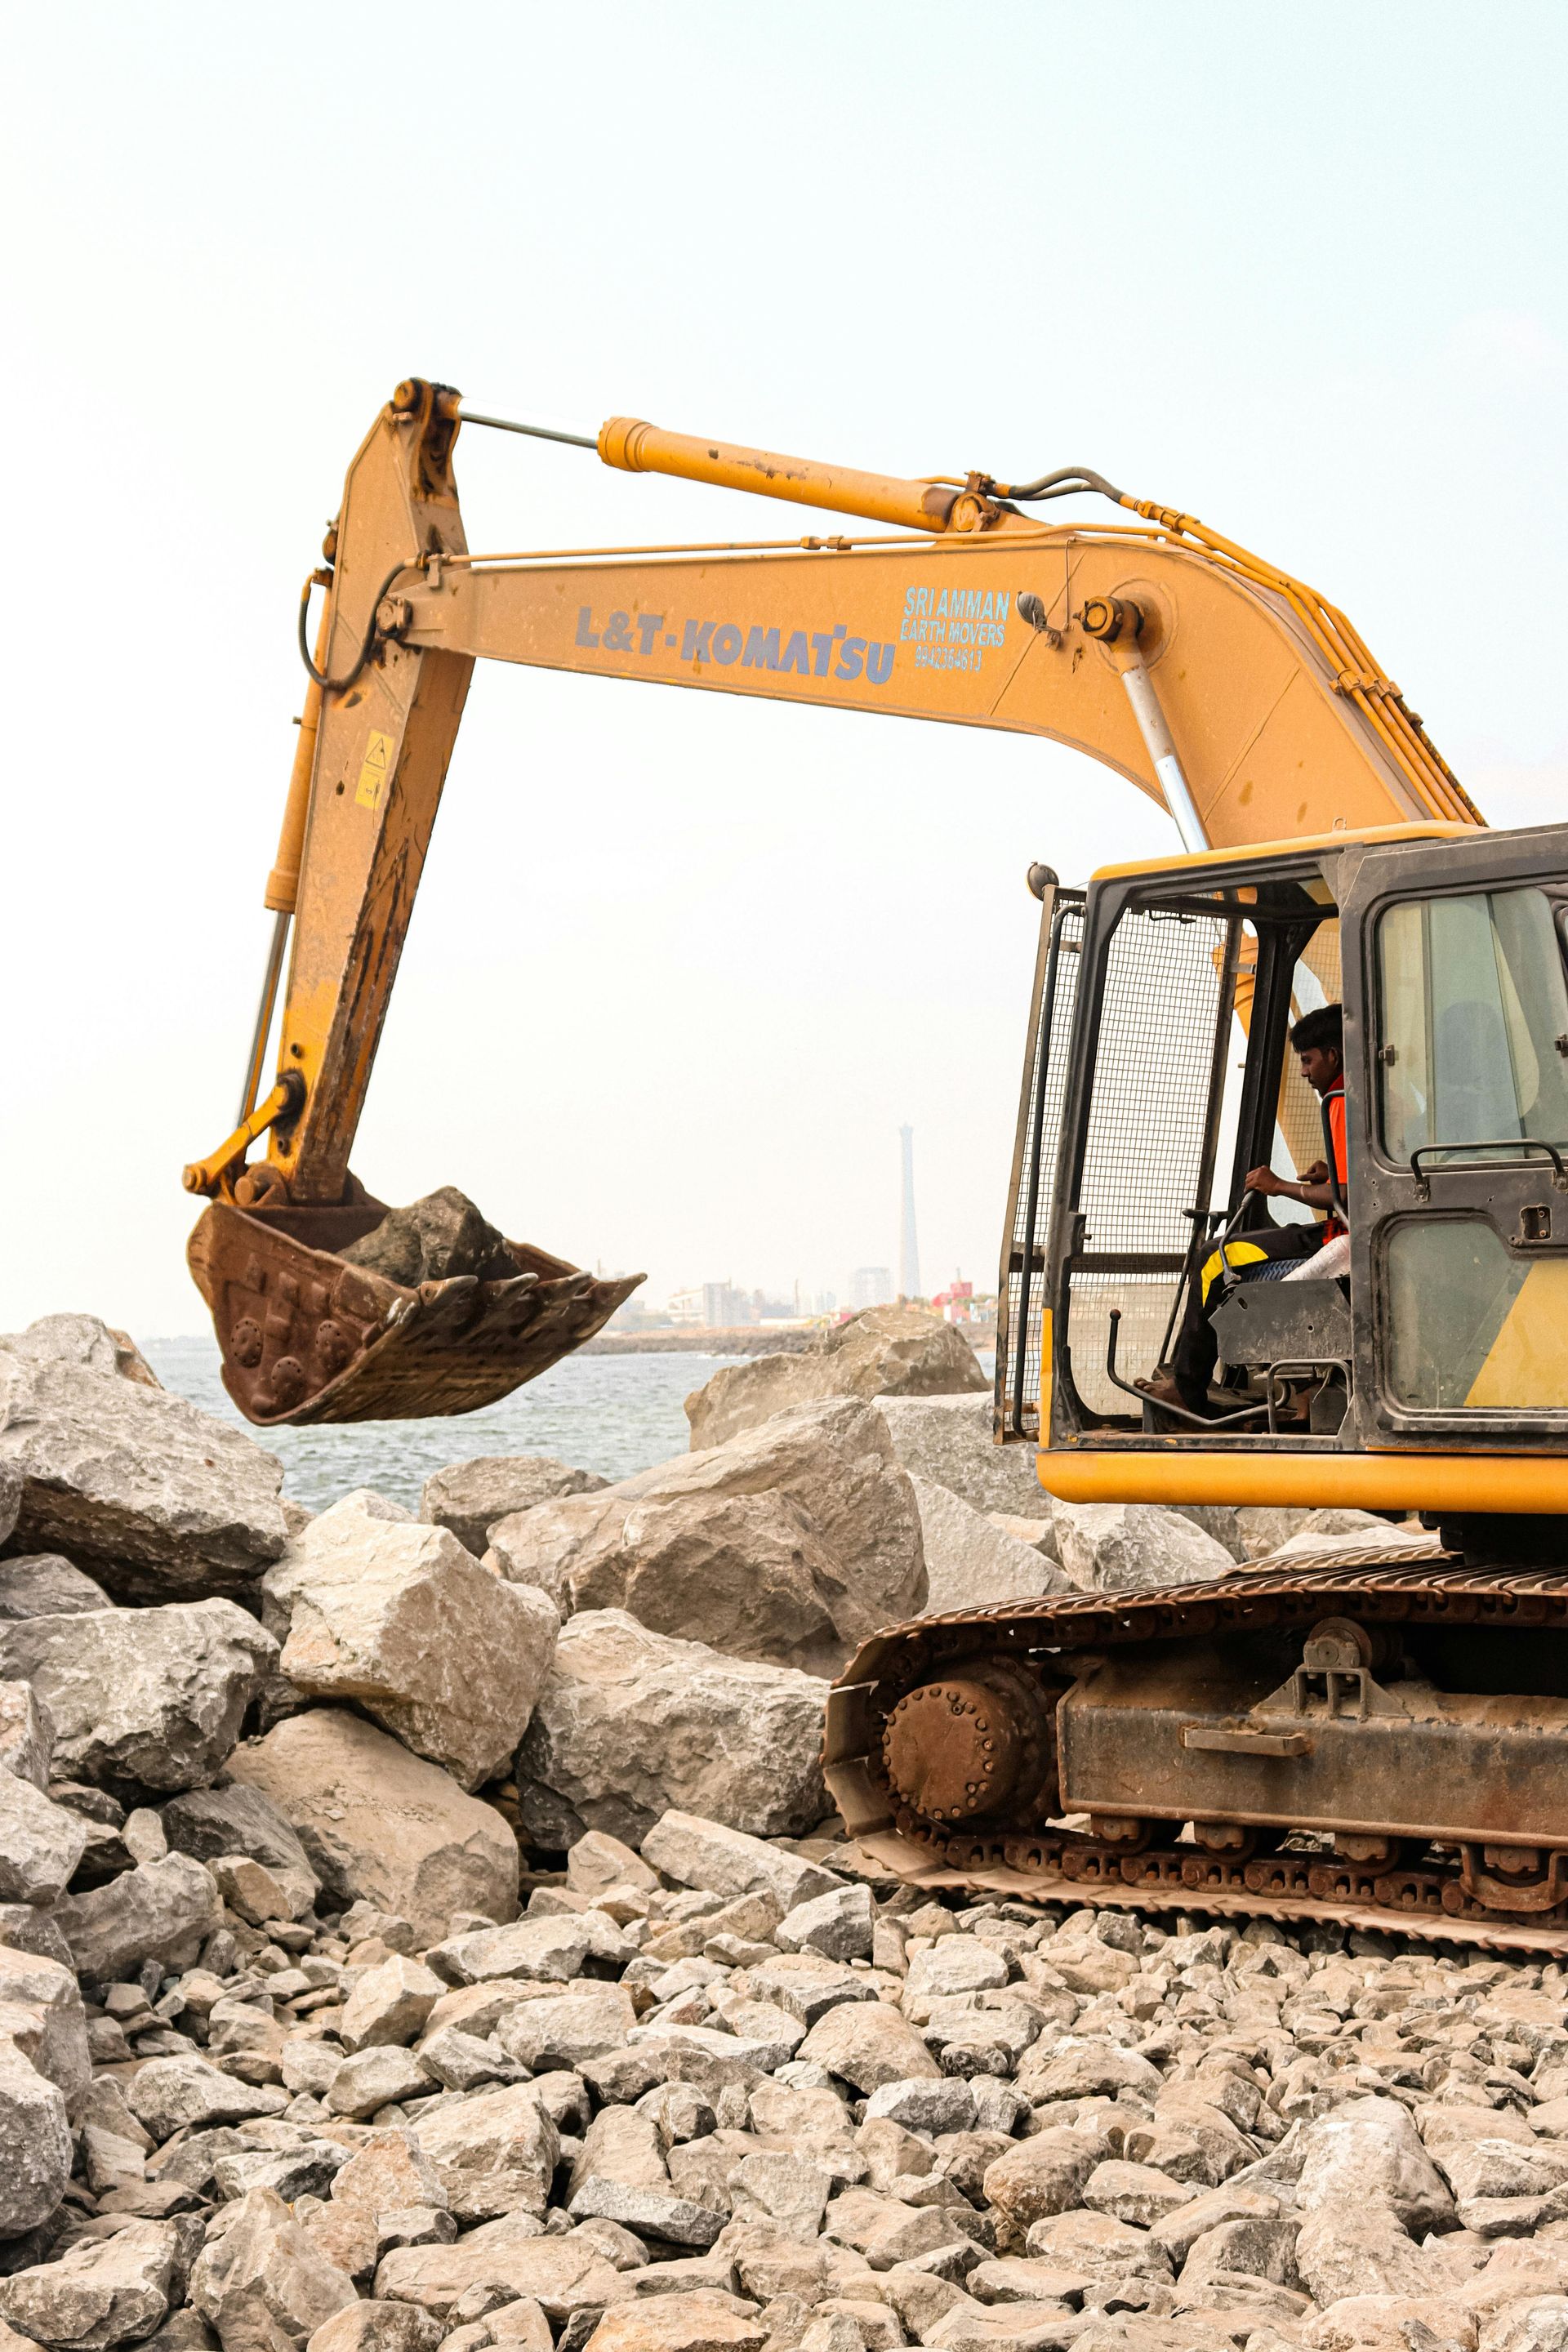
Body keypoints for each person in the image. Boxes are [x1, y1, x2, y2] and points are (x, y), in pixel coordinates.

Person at [1145, 1002, 1348, 1416]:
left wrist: (1279, 1187)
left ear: (1333, 1055)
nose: (1306, 1072)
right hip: (1342, 1235)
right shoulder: (1376, 1097)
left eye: (1308, 1061)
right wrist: (1329, 1172)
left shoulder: (1341, 1100)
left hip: (1341, 1240)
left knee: (1213, 1257)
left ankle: (1188, 1387)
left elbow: (1353, 1196)